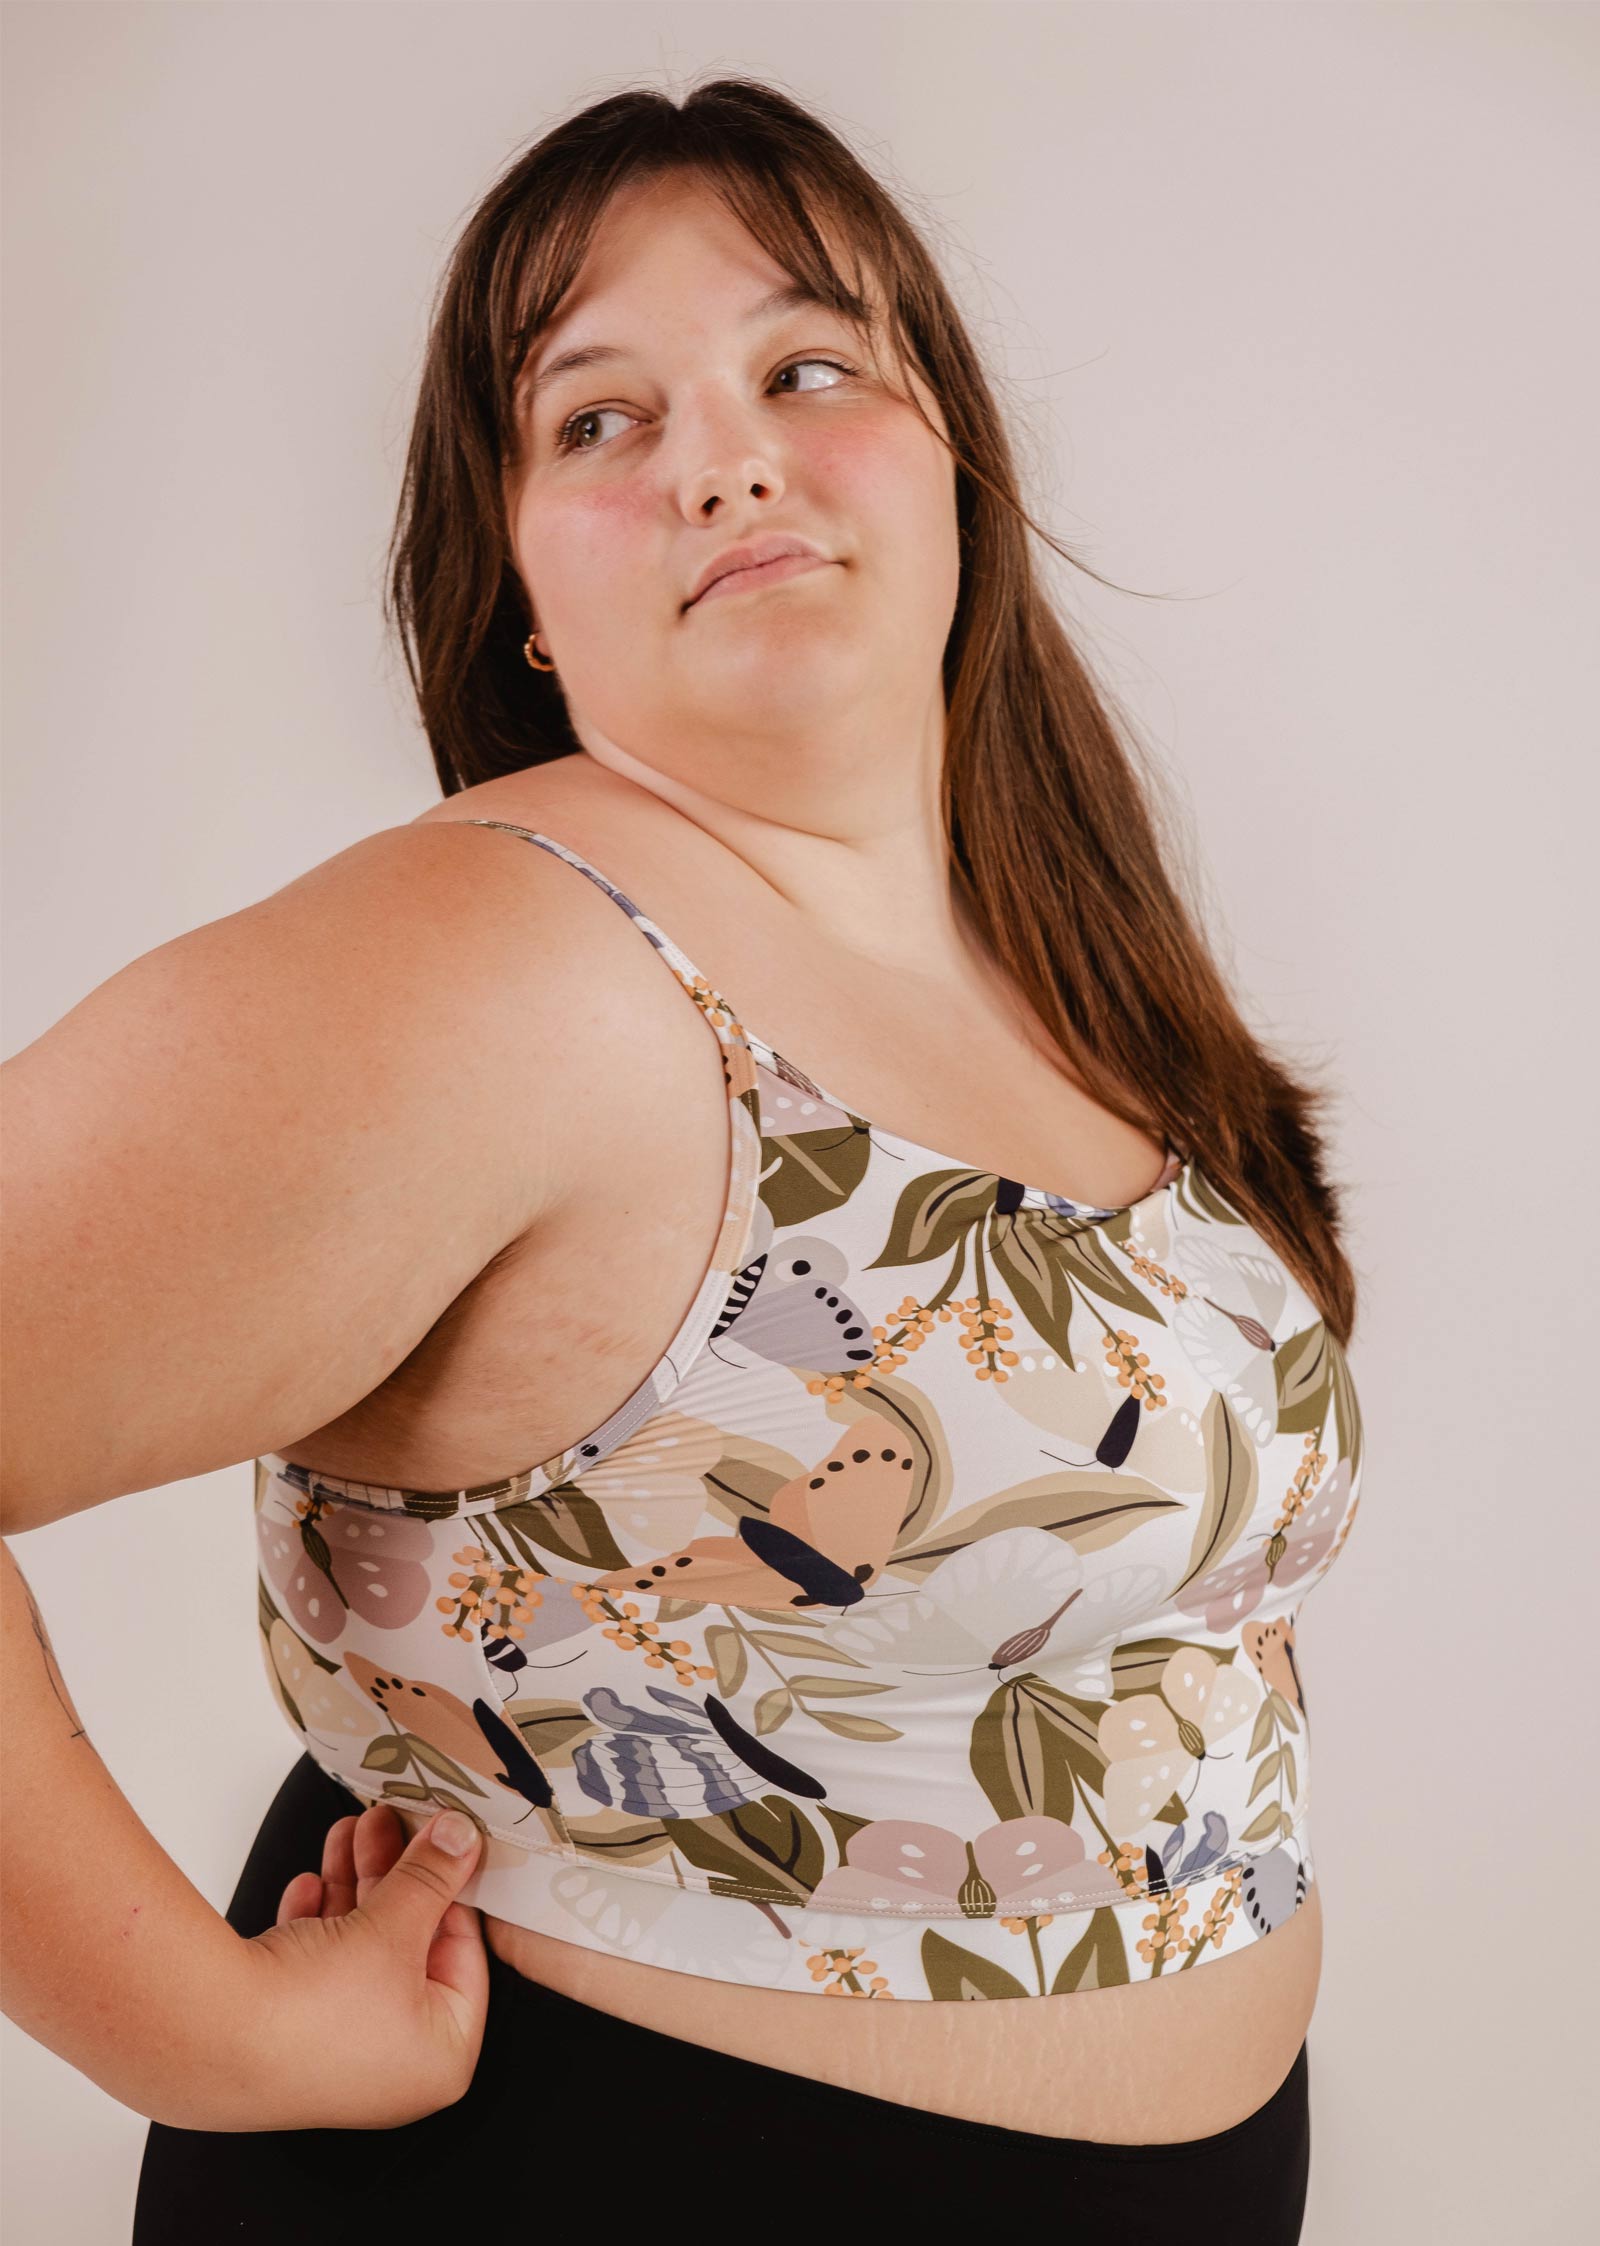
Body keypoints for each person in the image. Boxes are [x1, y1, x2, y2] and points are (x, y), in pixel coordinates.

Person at [2, 76, 1363, 2240]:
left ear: (949, 469)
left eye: (806, 367)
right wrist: (211, 2038)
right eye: (596, 421)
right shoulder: (499, 957)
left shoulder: (1063, 969)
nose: (726, 452)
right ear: (519, 590)